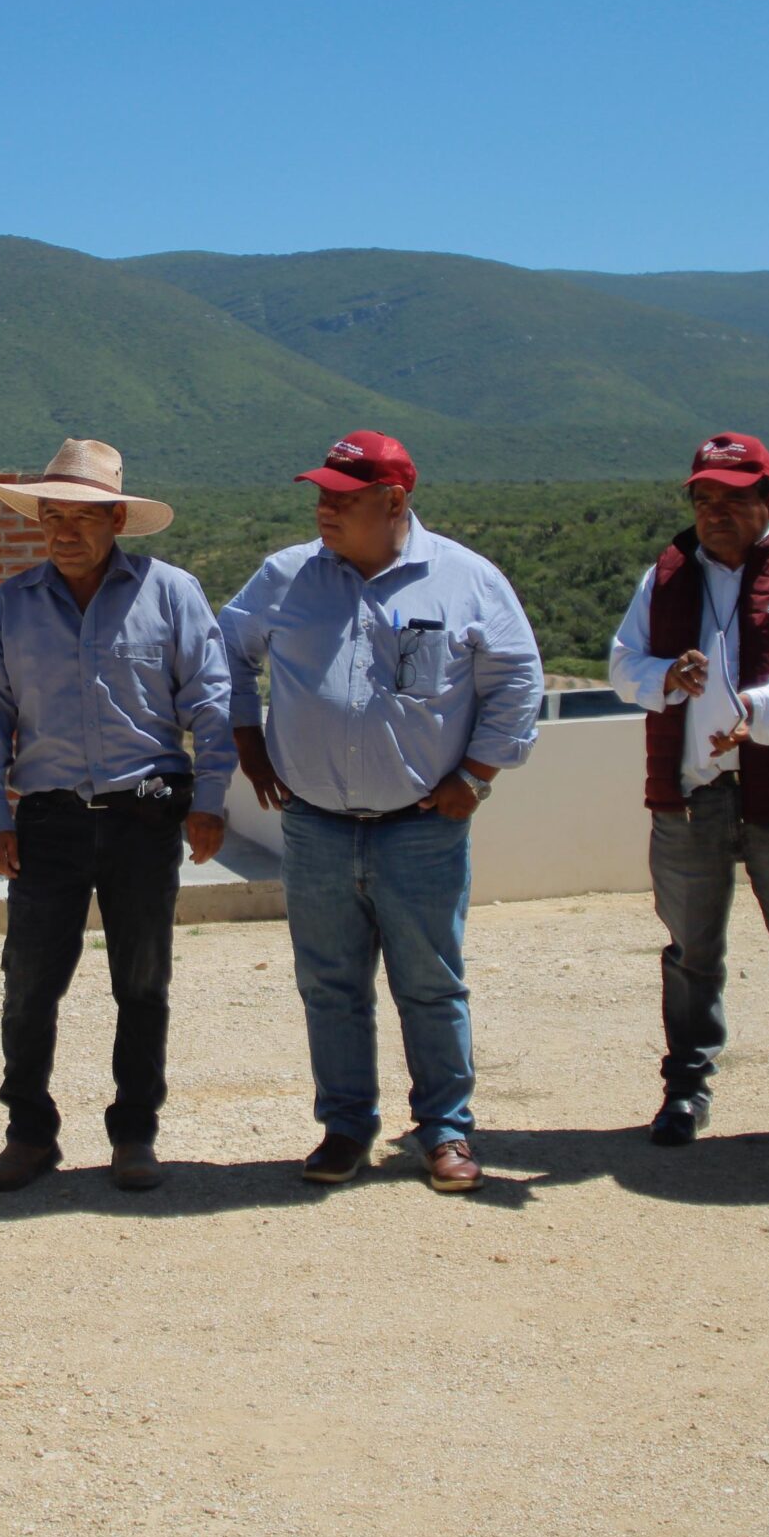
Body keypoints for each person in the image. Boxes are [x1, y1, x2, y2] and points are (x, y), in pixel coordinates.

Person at [218, 431, 543, 1192]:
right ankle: (346, 1126)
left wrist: (478, 773)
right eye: (321, 494)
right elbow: (222, 651)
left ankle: (445, 1131)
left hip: (422, 828)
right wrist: (248, 743)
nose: (324, 508)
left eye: (343, 496)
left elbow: (517, 681)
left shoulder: (466, 581)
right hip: (317, 824)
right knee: (329, 983)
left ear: (394, 501)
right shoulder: (286, 577)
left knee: (431, 984)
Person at [0, 440, 235, 1192]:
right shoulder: (9, 605)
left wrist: (210, 800)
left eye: (81, 517)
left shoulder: (172, 594)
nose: (63, 532)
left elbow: (211, 706)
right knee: (28, 984)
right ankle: (29, 1131)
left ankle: (136, 1132)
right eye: (51, 517)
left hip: (146, 816)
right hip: (47, 821)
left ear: (117, 517)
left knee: (142, 983)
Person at [608, 433, 769, 1154]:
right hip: (691, 794)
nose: (713, 511)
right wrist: (664, 677)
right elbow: (623, 665)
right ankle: (685, 1089)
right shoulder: (667, 575)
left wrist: (753, 713)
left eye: (733, 497)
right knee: (690, 953)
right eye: (702, 497)